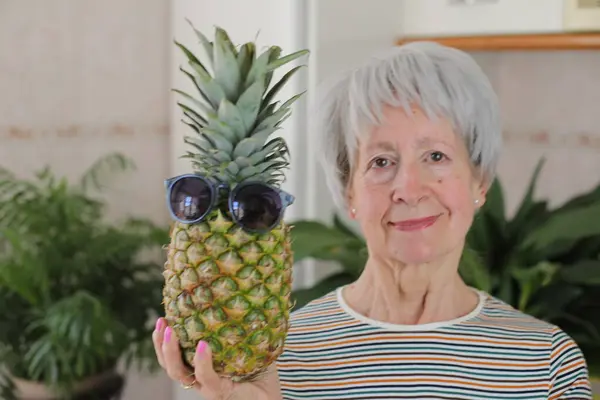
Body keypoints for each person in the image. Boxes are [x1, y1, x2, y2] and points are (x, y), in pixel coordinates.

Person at [152, 41, 593, 399]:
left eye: (435, 156)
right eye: (381, 161)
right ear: (349, 192)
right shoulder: (268, 359)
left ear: (480, 180)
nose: (409, 187)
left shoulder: (544, 363)